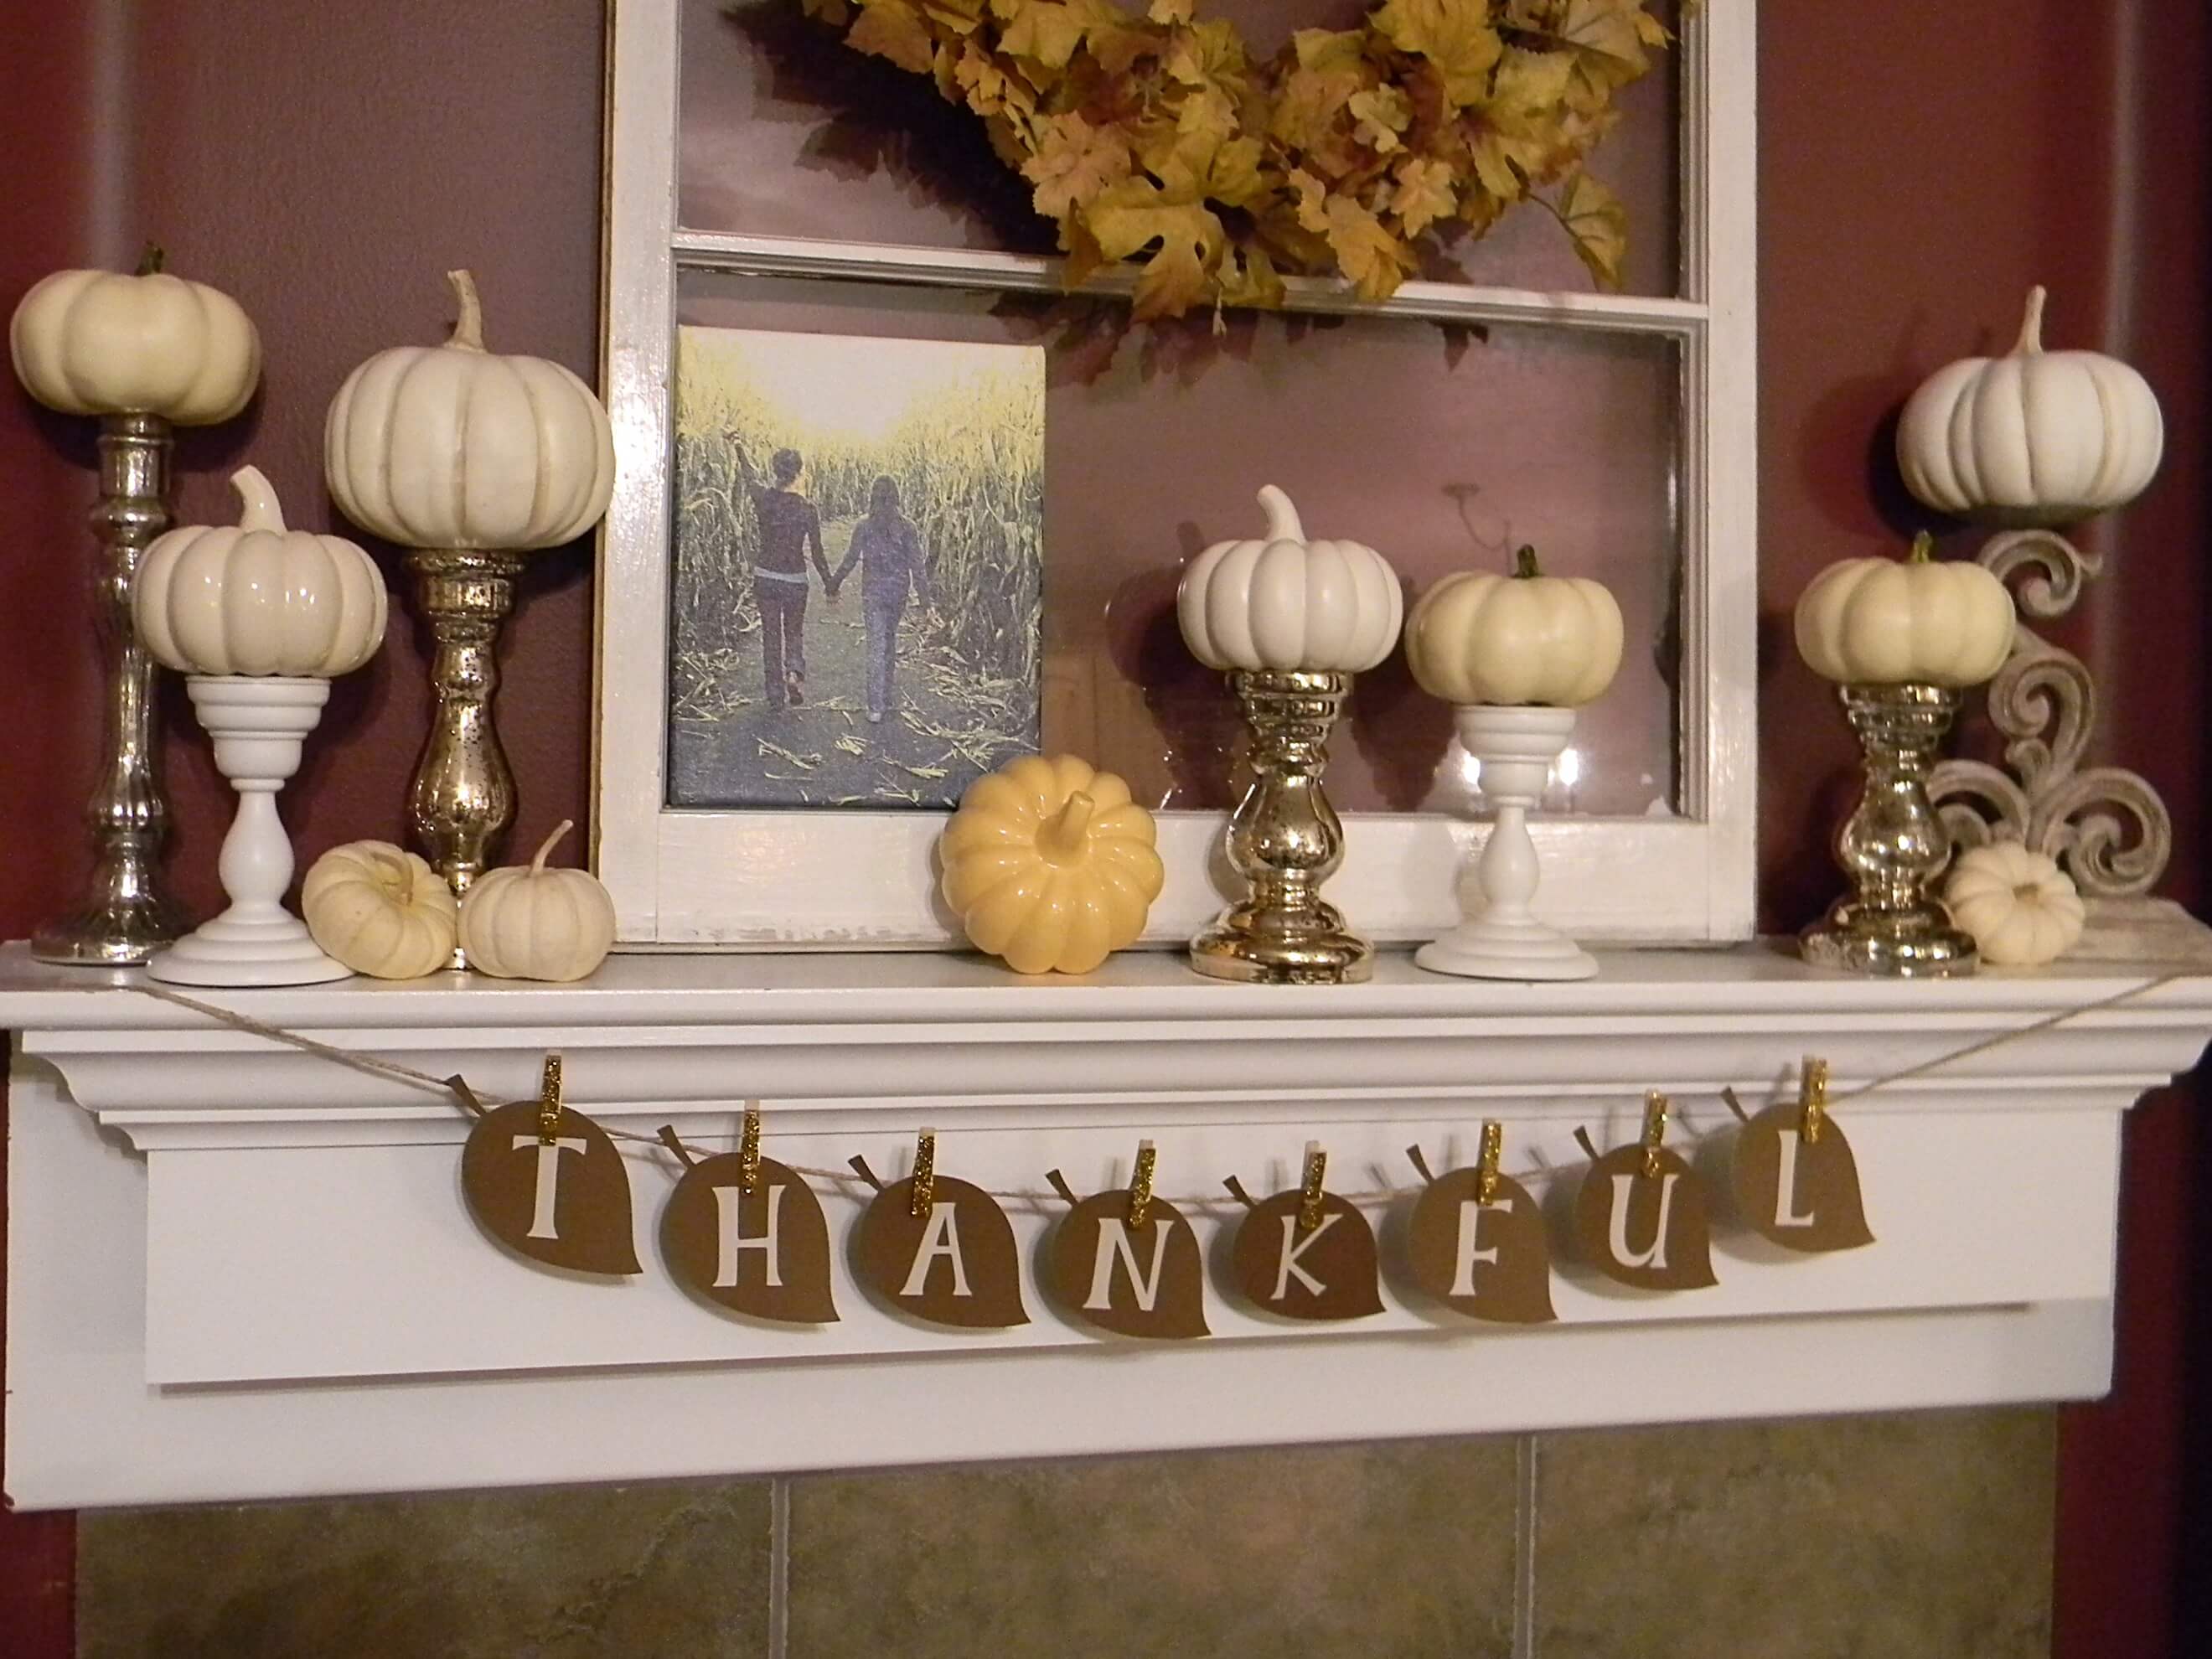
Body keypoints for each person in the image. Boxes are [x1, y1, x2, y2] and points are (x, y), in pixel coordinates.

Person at [739, 446, 835, 707]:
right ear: (799, 472)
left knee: (771, 635)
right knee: (793, 632)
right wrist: (830, 585)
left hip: (766, 577)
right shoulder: (808, 509)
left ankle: (775, 696)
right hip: (795, 580)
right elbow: (817, 553)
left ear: (775, 470)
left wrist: (737, 445)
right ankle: (793, 672)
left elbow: (748, 476)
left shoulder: (763, 498)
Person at [830, 474, 927, 724]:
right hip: (898, 592)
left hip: (873, 592)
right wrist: (926, 601)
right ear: (897, 497)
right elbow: (917, 565)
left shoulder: (864, 525)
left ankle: (875, 706)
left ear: (872, 496)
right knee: (890, 639)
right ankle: (887, 695)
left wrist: (834, 583)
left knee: (876, 644)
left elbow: (851, 559)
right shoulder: (907, 527)